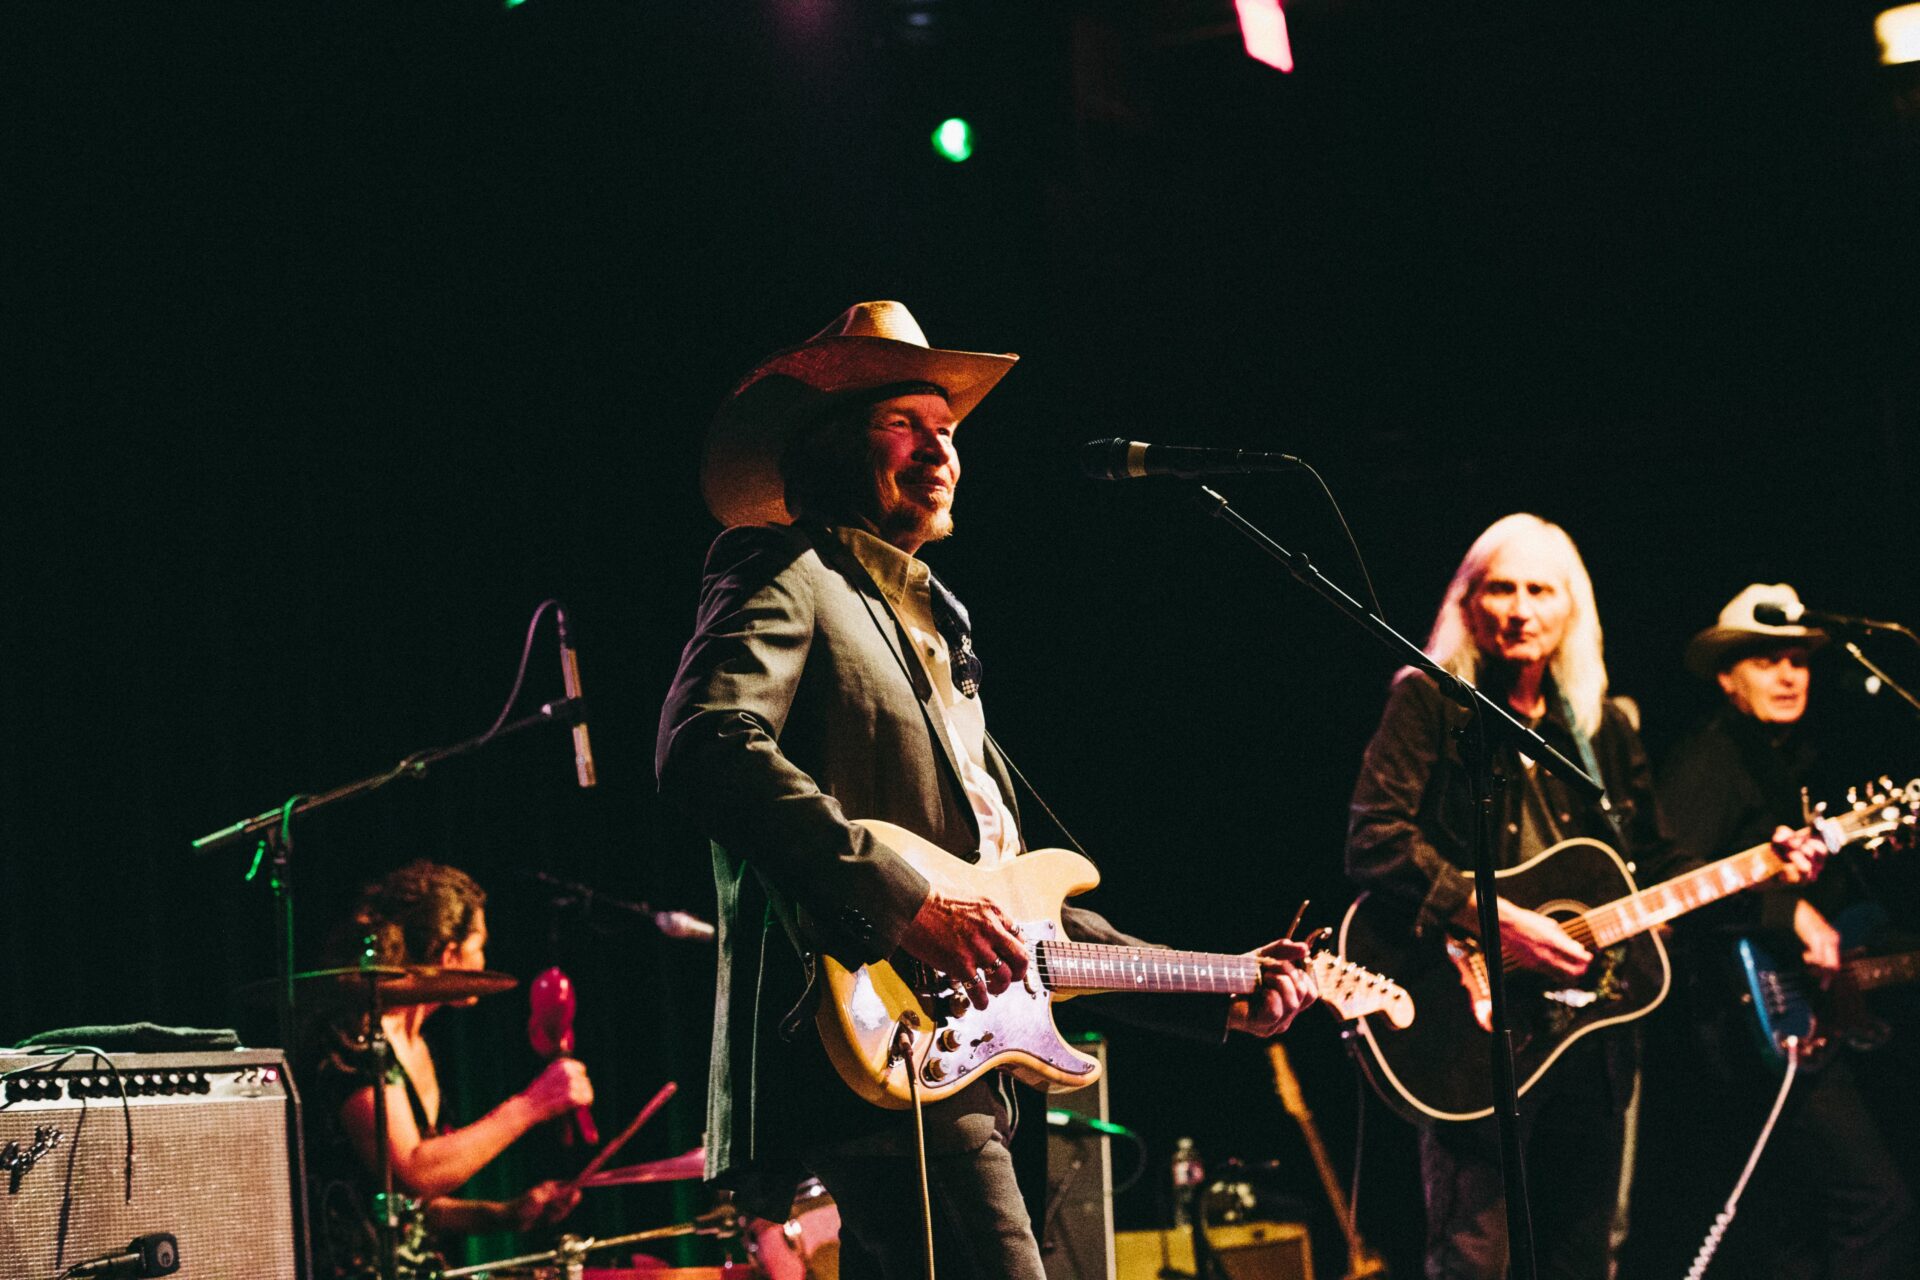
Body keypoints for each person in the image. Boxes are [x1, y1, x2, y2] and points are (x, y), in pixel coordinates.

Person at [655, 300, 1319, 1280]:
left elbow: (1018, 913)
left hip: (963, 1060)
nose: (939, 448)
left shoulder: (939, 638)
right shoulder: (784, 570)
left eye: (950, 431)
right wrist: (905, 902)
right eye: (904, 423)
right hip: (876, 1040)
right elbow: (706, 742)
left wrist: (1223, 984)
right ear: (828, 444)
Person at [1345, 513, 1684, 1280]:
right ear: (1469, 603)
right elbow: (1374, 841)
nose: (1520, 607)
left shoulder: (1599, 726)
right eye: (1501, 587)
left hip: (1590, 1040)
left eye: (1540, 589)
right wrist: (1492, 919)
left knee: (1584, 1255)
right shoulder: (1429, 701)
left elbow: (1659, 862)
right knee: (1476, 1256)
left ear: (1572, 609)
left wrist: (1773, 867)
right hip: (1468, 1029)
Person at [1647, 582, 1917, 1277]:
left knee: (1790, 1228)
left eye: (1797, 660)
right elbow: (1668, 890)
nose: (1790, 675)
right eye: (1767, 661)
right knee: (1875, 1204)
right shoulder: (1709, 760)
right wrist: (1782, 911)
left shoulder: (1786, 761)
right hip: (1737, 1021)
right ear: (1726, 678)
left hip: (1785, 1014)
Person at [303, 860, 596, 1280]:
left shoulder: (418, 1048)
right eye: (480, 946)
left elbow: (414, 1209)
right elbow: (414, 1173)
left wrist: (507, 1215)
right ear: (448, 954)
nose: (485, 959)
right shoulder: (355, 1040)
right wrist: (532, 1105)